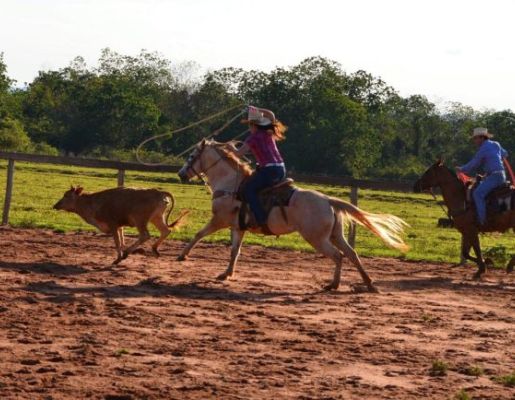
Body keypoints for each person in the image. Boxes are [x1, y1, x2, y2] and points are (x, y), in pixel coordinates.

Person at [233, 105, 288, 232]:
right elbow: (271, 114)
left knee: (248, 190)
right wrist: (255, 109)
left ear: (253, 125)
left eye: (249, 125)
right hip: (281, 170)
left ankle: (260, 219)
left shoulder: (252, 138)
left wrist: (230, 149)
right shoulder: (269, 133)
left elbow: (238, 154)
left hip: (268, 171)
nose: (249, 128)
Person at [457, 127, 509, 226]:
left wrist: (462, 169)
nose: (474, 141)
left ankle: (482, 221)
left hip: (494, 176)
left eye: (475, 138)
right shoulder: (496, 144)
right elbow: (505, 154)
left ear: (482, 138)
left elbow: (474, 162)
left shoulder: (483, 148)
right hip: (501, 175)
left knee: (477, 194)